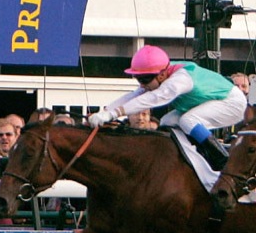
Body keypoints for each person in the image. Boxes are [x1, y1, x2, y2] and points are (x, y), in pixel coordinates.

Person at [88, 45, 247, 171]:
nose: (142, 84)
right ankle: (185, 160)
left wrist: (114, 114)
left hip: (233, 103)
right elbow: (134, 95)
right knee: (167, 122)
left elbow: (151, 99)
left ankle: (222, 160)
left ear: (162, 75)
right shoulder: (160, 74)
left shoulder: (180, 80)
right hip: (209, 101)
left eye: (145, 79)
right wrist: (105, 111)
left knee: (188, 120)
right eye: (138, 79)